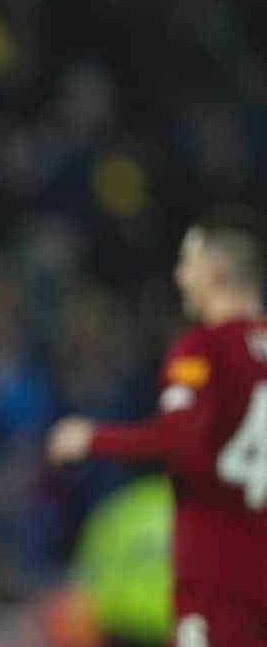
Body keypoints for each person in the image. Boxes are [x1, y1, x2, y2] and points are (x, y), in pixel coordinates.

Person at [48, 205, 267, 646]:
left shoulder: (202, 349)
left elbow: (179, 435)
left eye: (189, 262)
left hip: (217, 581)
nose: (179, 276)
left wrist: (91, 438)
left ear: (218, 269)